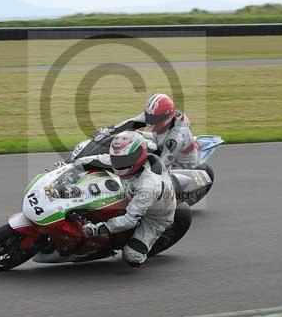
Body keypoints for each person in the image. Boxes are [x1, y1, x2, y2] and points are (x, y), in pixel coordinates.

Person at [78, 131, 176, 267]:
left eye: (123, 160)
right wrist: (66, 166)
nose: (118, 164)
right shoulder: (120, 158)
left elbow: (129, 220)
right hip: (130, 194)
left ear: (137, 157)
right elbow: (93, 160)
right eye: (116, 159)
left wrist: (97, 229)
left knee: (132, 256)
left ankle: (145, 243)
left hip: (155, 216)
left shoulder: (148, 186)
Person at [98, 93, 199, 169]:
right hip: (160, 142)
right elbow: (132, 123)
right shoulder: (157, 116)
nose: (150, 122)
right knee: (132, 135)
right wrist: (107, 131)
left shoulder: (174, 138)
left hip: (181, 165)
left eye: (153, 119)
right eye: (148, 117)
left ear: (167, 118)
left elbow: (163, 166)